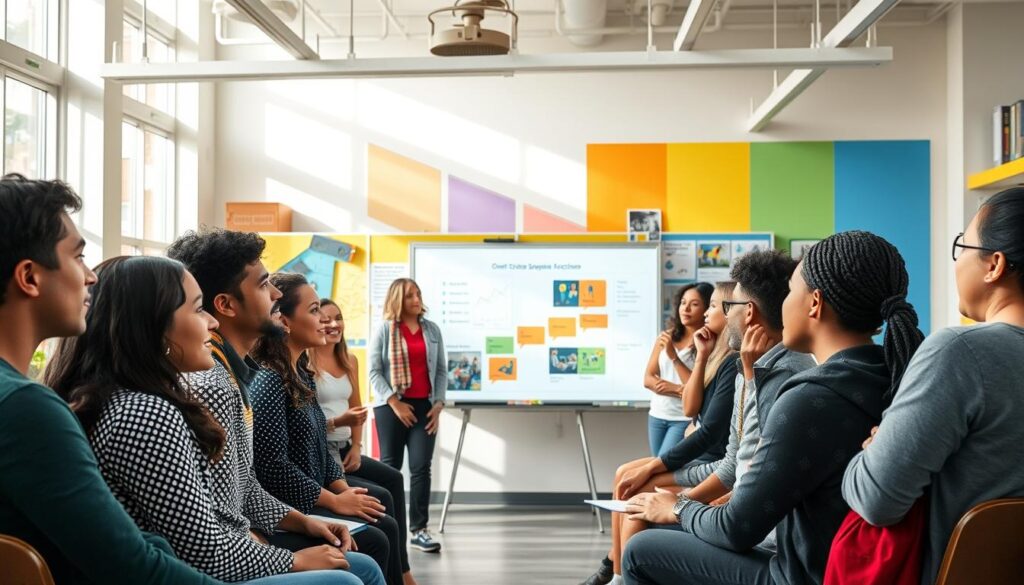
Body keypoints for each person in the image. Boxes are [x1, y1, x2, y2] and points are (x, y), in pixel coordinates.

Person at [47, 256, 382, 585]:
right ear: (153, 326)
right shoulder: (145, 412)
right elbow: (206, 550)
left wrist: (304, 522)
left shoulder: (142, 398)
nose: (212, 322)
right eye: (196, 309)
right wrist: (293, 559)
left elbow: (239, 491)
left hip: (209, 559)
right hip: (199, 569)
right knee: (349, 577)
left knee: (359, 565)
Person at [622, 231, 924, 585]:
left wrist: (677, 507)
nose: (781, 305)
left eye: (791, 291)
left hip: (801, 575)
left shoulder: (810, 398)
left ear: (814, 303)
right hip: (857, 567)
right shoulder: (896, 377)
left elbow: (737, 529)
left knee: (640, 551)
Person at [0, 174, 219, 585]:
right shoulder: (24, 407)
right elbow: (132, 568)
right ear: (30, 277)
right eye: (78, 257)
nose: (91, 277)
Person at [167, 228, 390, 585]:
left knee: (365, 554)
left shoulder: (236, 376)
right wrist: (286, 556)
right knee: (356, 570)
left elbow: (246, 487)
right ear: (225, 305)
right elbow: (221, 520)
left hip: (244, 538)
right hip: (228, 555)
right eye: (263, 285)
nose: (275, 295)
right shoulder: (216, 385)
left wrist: (306, 522)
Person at [843, 188, 1024, 585]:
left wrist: (877, 447)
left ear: (994, 264)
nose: (957, 261)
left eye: (963, 244)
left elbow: (876, 500)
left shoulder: (961, 351)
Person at [250, 273, 404, 585]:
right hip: (289, 508)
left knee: (382, 517)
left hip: (311, 497)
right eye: (314, 311)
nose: (325, 320)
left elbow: (320, 444)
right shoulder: (269, 380)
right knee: (378, 534)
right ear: (285, 322)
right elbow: (273, 468)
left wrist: (342, 489)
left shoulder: (301, 373)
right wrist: (334, 501)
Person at [580, 282, 738, 585]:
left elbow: (706, 431)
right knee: (624, 474)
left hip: (711, 459)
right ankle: (615, 573)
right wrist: (702, 357)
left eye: (712, 306)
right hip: (690, 439)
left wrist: (684, 368)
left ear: (733, 313)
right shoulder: (712, 352)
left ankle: (619, 571)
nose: (703, 311)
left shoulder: (731, 361)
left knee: (637, 488)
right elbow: (692, 407)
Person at [310, 299, 420, 585]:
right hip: (325, 450)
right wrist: (338, 423)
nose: (333, 324)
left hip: (346, 448)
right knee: (380, 497)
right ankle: (398, 575)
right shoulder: (307, 363)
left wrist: (358, 447)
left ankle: (404, 568)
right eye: (324, 319)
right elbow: (308, 427)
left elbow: (358, 411)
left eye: (338, 318)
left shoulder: (349, 359)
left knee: (393, 478)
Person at [369, 278, 447, 554]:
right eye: (410, 295)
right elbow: (374, 372)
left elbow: (440, 371)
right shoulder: (383, 330)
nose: (417, 299)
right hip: (391, 406)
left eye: (418, 293)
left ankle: (419, 530)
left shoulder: (432, 330)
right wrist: (394, 402)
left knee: (420, 467)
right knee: (390, 469)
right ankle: (386, 525)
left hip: (425, 406)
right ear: (398, 300)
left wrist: (438, 404)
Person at [644, 283, 711, 459]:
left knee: (661, 467)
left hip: (683, 419)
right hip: (657, 415)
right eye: (683, 302)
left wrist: (674, 358)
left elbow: (697, 388)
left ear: (706, 309)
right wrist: (679, 390)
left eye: (694, 304)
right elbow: (648, 378)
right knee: (656, 466)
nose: (686, 309)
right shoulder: (666, 336)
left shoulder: (707, 343)